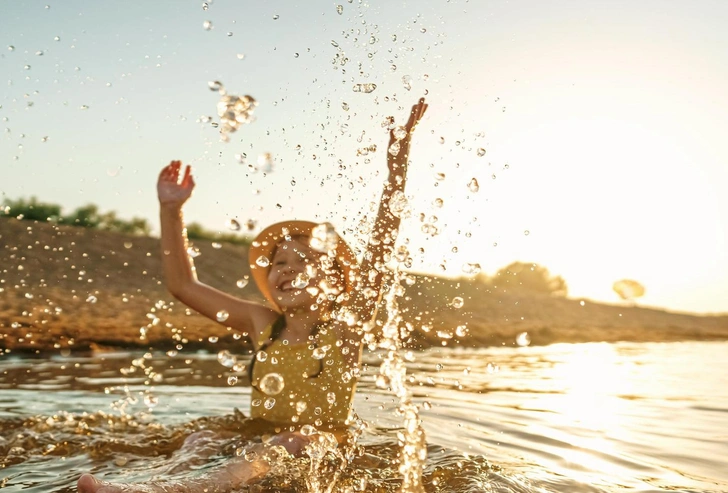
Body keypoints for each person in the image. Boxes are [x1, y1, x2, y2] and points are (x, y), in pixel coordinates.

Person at [77, 98, 428, 493]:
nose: (289, 269)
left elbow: (378, 258)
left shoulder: (345, 330)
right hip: (260, 444)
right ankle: (146, 485)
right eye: (280, 263)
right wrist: (171, 210)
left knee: (293, 440)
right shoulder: (264, 324)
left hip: (321, 449)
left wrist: (395, 174)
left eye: (305, 261)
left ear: (333, 280)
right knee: (202, 439)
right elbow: (183, 287)